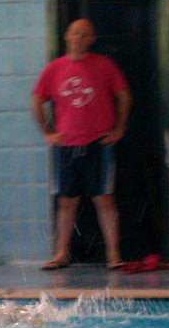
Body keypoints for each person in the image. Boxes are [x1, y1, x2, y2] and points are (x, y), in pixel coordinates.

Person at [32, 19, 132, 270]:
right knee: (67, 202)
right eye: (75, 32)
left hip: (98, 143)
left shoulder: (104, 65)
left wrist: (119, 127)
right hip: (67, 145)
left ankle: (113, 255)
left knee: (104, 199)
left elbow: (124, 95)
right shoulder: (54, 69)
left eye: (84, 34)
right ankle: (61, 253)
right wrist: (48, 132)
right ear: (67, 35)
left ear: (91, 39)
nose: (78, 37)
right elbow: (37, 101)